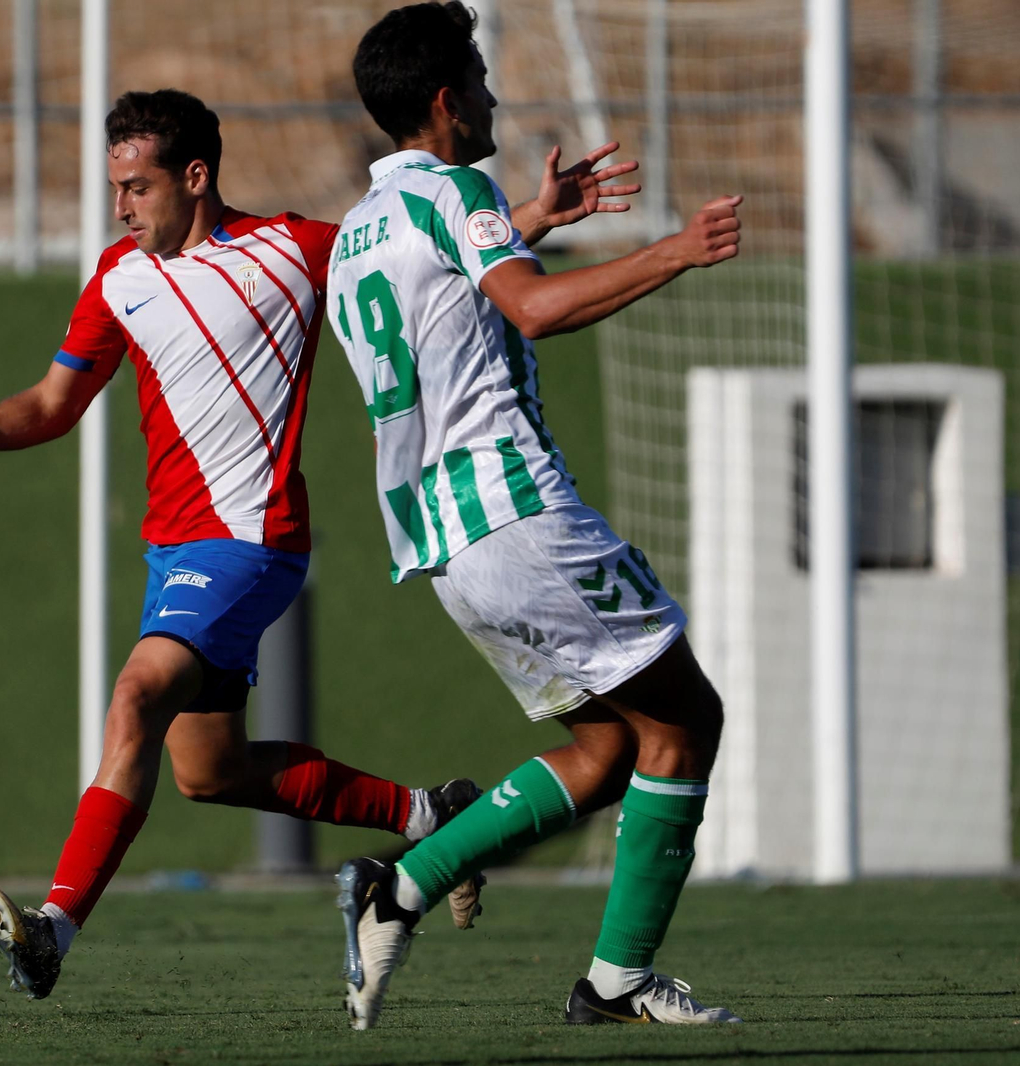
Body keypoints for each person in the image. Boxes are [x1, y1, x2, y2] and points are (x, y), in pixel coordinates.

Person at [0, 88, 488, 1002]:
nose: (121, 206)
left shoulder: (292, 249)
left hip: (251, 542)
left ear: (196, 176)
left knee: (134, 697)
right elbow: (52, 406)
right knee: (208, 772)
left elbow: (405, 253)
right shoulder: (115, 277)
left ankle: (53, 930)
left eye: (136, 186)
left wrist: (522, 218)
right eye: (114, 189)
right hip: (173, 557)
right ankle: (433, 815)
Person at [326, 2, 746, 1029]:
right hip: (516, 514)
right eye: (476, 74)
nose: (492, 92)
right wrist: (673, 252)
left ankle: (403, 886)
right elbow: (533, 309)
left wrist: (529, 222)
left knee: (606, 751)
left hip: (446, 548)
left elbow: (444, 293)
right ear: (443, 100)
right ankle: (615, 983)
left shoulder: (356, 232)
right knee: (687, 720)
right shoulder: (456, 191)